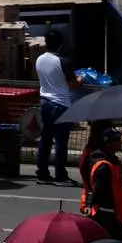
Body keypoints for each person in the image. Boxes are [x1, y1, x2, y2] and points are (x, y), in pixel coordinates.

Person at [35, 29, 79, 186]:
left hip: (45, 102)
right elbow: (73, 85)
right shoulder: (64, 62)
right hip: (60, 104)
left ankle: (42, 173)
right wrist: (80, 79)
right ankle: (60, 175)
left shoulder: (39, 59)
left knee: (45, 140)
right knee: (61, 141)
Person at [80, 128, 122, 240]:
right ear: (107, 143)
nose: (120, 142)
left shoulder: (112, 161)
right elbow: (98, 191)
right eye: (116, 139)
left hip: (114, 215)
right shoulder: (104, 166)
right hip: (107, 217)